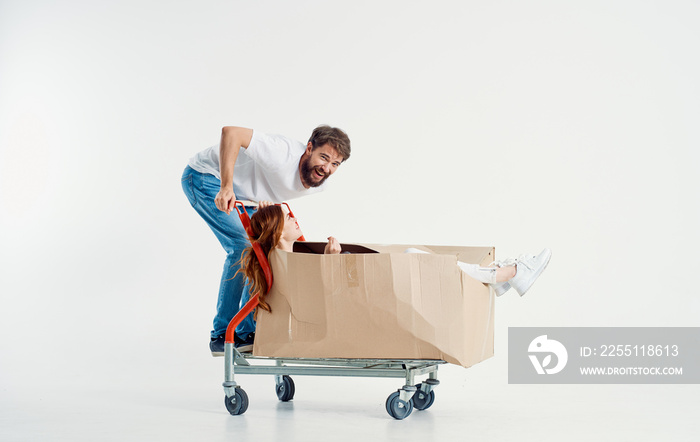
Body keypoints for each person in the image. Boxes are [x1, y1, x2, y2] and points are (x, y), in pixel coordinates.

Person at [182, 125, 351, 355]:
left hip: (248, 199)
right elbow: (231, 132)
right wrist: (226, 186)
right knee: (243, 247)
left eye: (335, 164)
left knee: (265, 252)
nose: (327, 168)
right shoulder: (283, 154)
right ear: (309, 148)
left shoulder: (319, 184)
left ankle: (246, 330)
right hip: (206, 178)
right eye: (324, 157)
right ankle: (222, 334)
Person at [239, 205, 552, 317]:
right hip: (361, 300)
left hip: (366, 290)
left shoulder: (289, 254)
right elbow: (316, 299)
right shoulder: (284, 259)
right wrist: (332, 262)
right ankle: (507, 274)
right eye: (287, 218)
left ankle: (502, 275)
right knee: (417, 258)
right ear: (277, 230)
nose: (296, 220)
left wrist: (331, 259)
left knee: (422, 259)